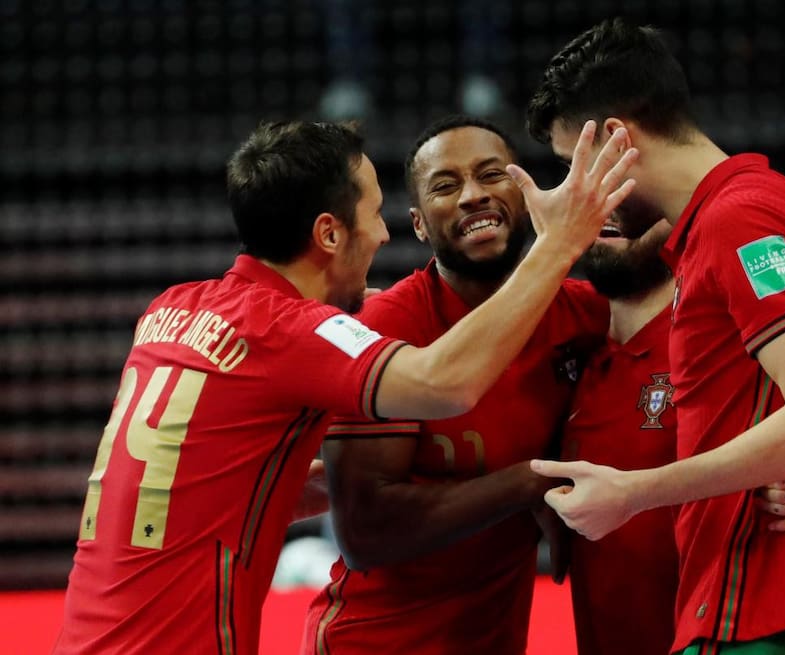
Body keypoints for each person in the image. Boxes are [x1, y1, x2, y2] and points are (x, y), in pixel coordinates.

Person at [53, 118, 638, 654]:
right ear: (330, 234)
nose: (382, 236)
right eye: (375, 213)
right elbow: (447, 385)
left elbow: (229, 482)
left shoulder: (172, 309)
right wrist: (560, 242)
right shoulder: (290, 331)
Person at [525, 18, 785, 655]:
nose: (577, 191)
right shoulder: (753, 210)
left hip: (759, 616)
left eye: (573, 164)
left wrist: (634, 494)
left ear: (616, 137)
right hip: (768, 615)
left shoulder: (739, 216)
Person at [300, 115, 607, 655]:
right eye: (445, 185)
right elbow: (366, 535)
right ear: (418, 225)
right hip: (374, 644)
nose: (472, 196)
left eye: (492, 175)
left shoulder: (586, 318)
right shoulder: (386, 328)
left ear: (527, 194)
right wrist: (528, 484)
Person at [562, 197, 785, 655]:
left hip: (729, 633)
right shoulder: (567, 340)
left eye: (635, 199)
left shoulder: (717, 331)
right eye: (604, 195)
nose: (616, 211)